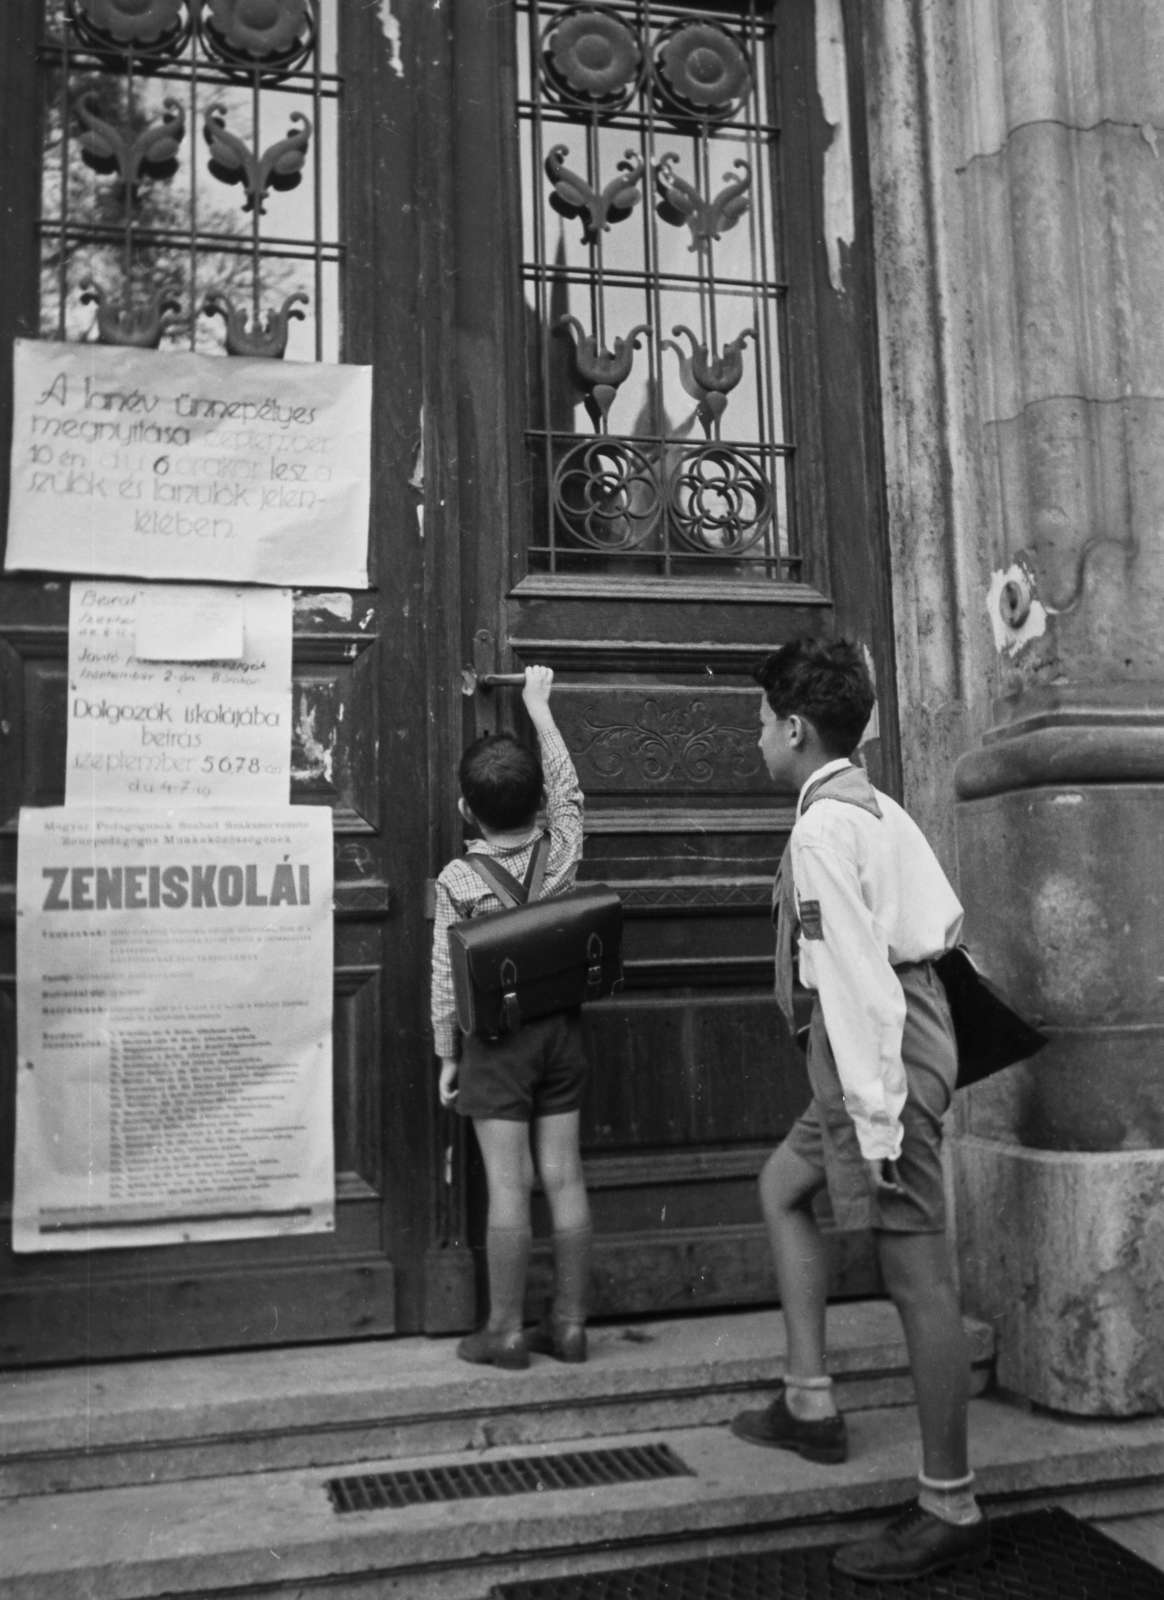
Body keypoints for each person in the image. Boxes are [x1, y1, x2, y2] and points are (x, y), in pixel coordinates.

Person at [730, 638, 990, 1582]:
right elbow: (942, 929)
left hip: (876, 1054)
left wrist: (878, 1126)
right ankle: (807, 1401)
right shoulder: (874, 808)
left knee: (919, 1278)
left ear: (795, 729)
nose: (756, 739)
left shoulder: (821, 833)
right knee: (782, 1187)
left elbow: (859, 986)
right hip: (875, 1051)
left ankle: (951, 1504)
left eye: (760, 722)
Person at [431, 665, 591, 1370]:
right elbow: (573, 794)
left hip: (497, 1044)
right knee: (564, 1177)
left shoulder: (459, 881)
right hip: (561, 1033)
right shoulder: (561, 853)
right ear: (540, 805)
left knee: (508, 1184)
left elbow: (445, 980)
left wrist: (447, 1053)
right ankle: (570, 1324)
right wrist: (539, 708)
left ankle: (502, 1329)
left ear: (467, 810)